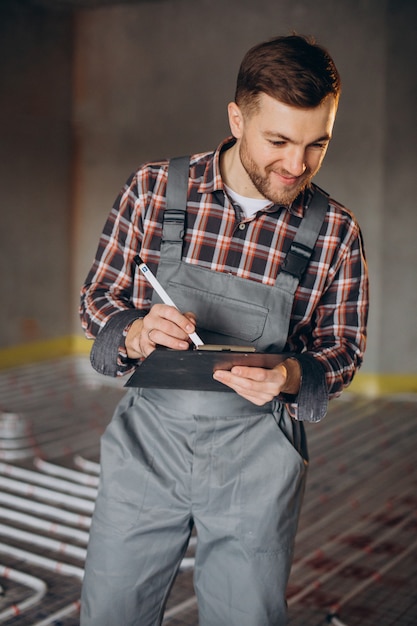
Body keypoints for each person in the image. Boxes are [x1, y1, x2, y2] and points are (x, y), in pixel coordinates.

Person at [79, 34, 368, 626]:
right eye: (279, 141)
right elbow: (97, 299)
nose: (296, 166)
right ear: (237, 119)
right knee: (112, 611)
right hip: (147, 448)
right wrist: (134, 332)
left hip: (257, 459)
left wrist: (290, 373)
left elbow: (342, 351)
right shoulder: (154, 190)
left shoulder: (335, 232)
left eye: (318, 145)